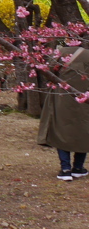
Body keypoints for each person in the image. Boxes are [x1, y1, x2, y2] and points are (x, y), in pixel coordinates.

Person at [38, 42, 89, 180]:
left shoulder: (59, 54)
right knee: (83, 132)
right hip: (85, 99)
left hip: (62, 99)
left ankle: (65, 169)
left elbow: (47, 72)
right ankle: (78, 167)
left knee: (61, 131)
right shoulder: (87, 55)